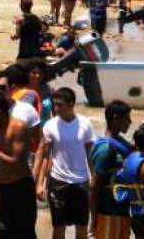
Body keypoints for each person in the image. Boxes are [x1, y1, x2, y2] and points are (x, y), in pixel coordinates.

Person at [37, 87, 96, 239]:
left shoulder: (85, 124)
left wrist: (94, 178)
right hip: (58, 182)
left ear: (71, 104)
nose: (56, 109)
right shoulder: (50, 125)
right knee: (58, 228)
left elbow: (90, 154)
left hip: (81, 181)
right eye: (54, 104)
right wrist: (39, 183)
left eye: (60, 105)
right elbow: (45, 156)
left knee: (82, 227)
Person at [0, 90, 37, 238]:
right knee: (2, 232)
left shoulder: (18, 127)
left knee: (25, 233)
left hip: (21, 187)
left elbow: (16, 162)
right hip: (3, 188)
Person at [89, 100, 133, 239]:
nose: (130, 122)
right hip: (108, 212)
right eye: (127, 118)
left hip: (121, 210)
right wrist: (94, 217)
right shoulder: (106, 149)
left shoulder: (121, 143)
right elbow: (94, 186)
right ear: (115, 119)